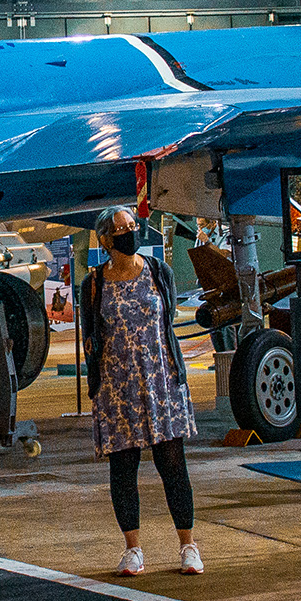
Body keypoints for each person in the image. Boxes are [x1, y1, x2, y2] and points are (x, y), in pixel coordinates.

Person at [80, 207, 202, 576]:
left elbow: (168, 323)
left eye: (133, 226)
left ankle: (188, 545)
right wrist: (96, 377)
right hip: (118, 390)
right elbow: (90, 336)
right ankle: (133, 549)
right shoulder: (94, 284)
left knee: (173, 465)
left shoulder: (158, 272)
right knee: (123, 469)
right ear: (105, 239)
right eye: (121, 229)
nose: (129, 232)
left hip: (161, 383)